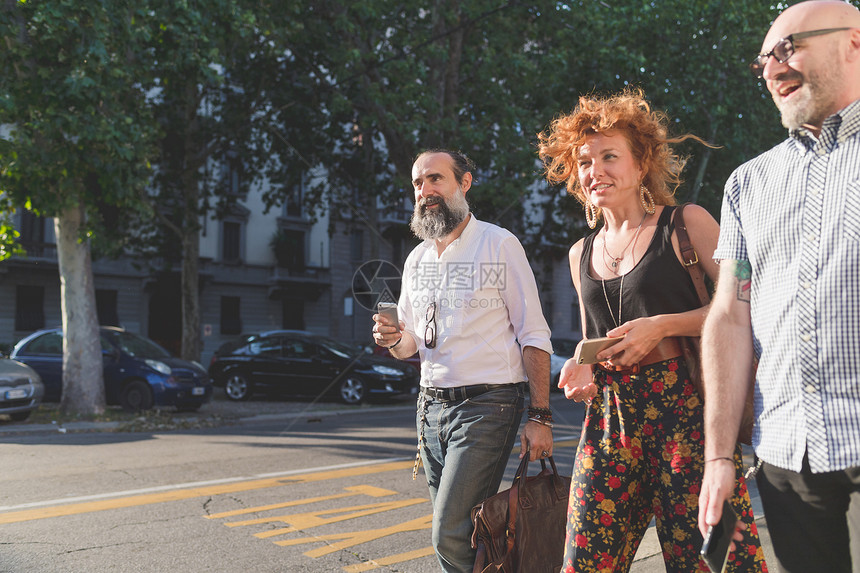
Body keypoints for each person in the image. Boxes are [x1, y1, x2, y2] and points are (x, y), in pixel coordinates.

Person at [538, 88, 767, 572]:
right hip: (609, 419)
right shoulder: (581, 253)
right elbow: (595, 342)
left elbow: (748, 302)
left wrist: (663, 325)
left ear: (641, 165)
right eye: (584, 161)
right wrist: (583, 366)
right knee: (585, 561)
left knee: (712, 560)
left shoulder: (687, 224)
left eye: (609, 156)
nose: (595, 169)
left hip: (686, 410)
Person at [698, 2, 860, 571]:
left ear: (854, 42)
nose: (772, 68)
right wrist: (719, 456)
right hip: (788, 459)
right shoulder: (748, 183)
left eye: (789, 48)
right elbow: (730, 316)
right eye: (764, 59)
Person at [371, 149, 554, 573]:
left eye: (436, 179)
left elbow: (533, 333)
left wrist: (540, 416)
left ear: (464, 183)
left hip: (488, 405)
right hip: (429, 408)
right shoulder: (417, 260)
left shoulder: (498, 244)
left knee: (448, 532)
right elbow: (411, 343)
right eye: (418, 183)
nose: (425, 191)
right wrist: (393, 338)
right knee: (466, 532)